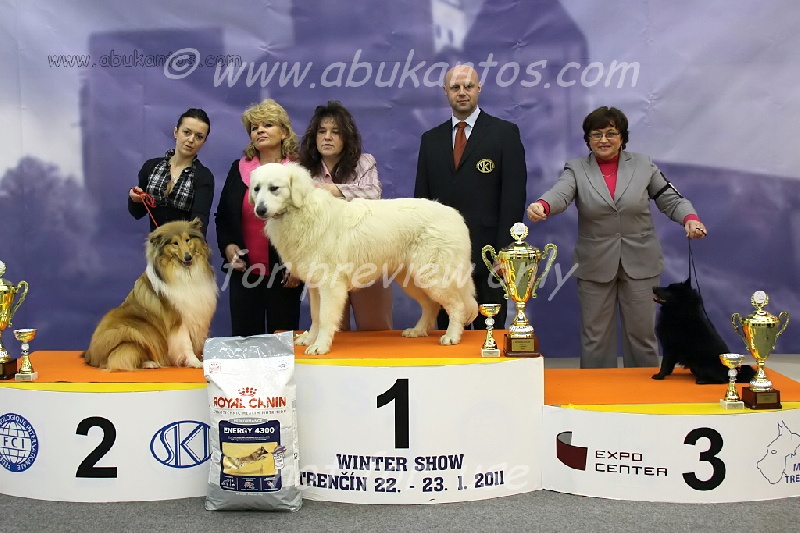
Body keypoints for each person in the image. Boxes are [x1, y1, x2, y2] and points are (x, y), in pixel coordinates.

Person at [526, 106, 708, 369]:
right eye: (596, 134)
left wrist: (690, 218)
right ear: (588, 139)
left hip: (641, 262)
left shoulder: (644, 165)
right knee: (595, 338)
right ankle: (597, 391)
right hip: (594, 264)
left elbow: (670, 198)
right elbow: (560, 193)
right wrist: (542, 205)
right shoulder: (576, 169)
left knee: (642, 336)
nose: (603, 140)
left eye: (611, 133)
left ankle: (643, 390)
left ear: (623, 137)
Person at [414, 65, 527, 330]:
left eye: (468, 86)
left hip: (489, 255)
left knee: (491, 334)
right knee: (448, 335)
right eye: (455, 87)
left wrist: (504, 250)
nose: (462, 92)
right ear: (445, 92)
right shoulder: (430, 140)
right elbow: (422, 202)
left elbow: (513, 196)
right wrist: (425, 254)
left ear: (479, 89)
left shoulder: (504, 134)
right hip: (444, 257)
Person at [298, 100, 392, 331]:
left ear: (346, 137)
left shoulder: (364, 162)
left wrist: (334, 190)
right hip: (323, 260)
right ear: (314, 137)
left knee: (375, 330)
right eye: (322, 131)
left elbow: (373, 194)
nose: (327, 137)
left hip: (367, 257)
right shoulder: (302, 171)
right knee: (331, 333)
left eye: (336, 132)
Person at [214, 99, 303, 336]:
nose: (260, 131)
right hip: (244, 274)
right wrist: (228, 246)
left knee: (282, 342)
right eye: (255, 128)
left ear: (284, 132)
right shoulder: (239, 169)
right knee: (245, 343)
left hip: (285, 275)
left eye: (268, 125)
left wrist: (298, 265)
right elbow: (223, 215)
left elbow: (309, 224)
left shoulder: (296, 172)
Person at [128, 108, 214, 236]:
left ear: (204, 141)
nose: (191, 140)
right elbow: (137, 213)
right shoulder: (151, 167)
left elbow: (199, 223)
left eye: (199, 136)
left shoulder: (204, 177)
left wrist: (184, 246)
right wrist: (135, 199)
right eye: (186, 132)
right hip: (157, 245)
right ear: (176, 132)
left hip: (187, 246)